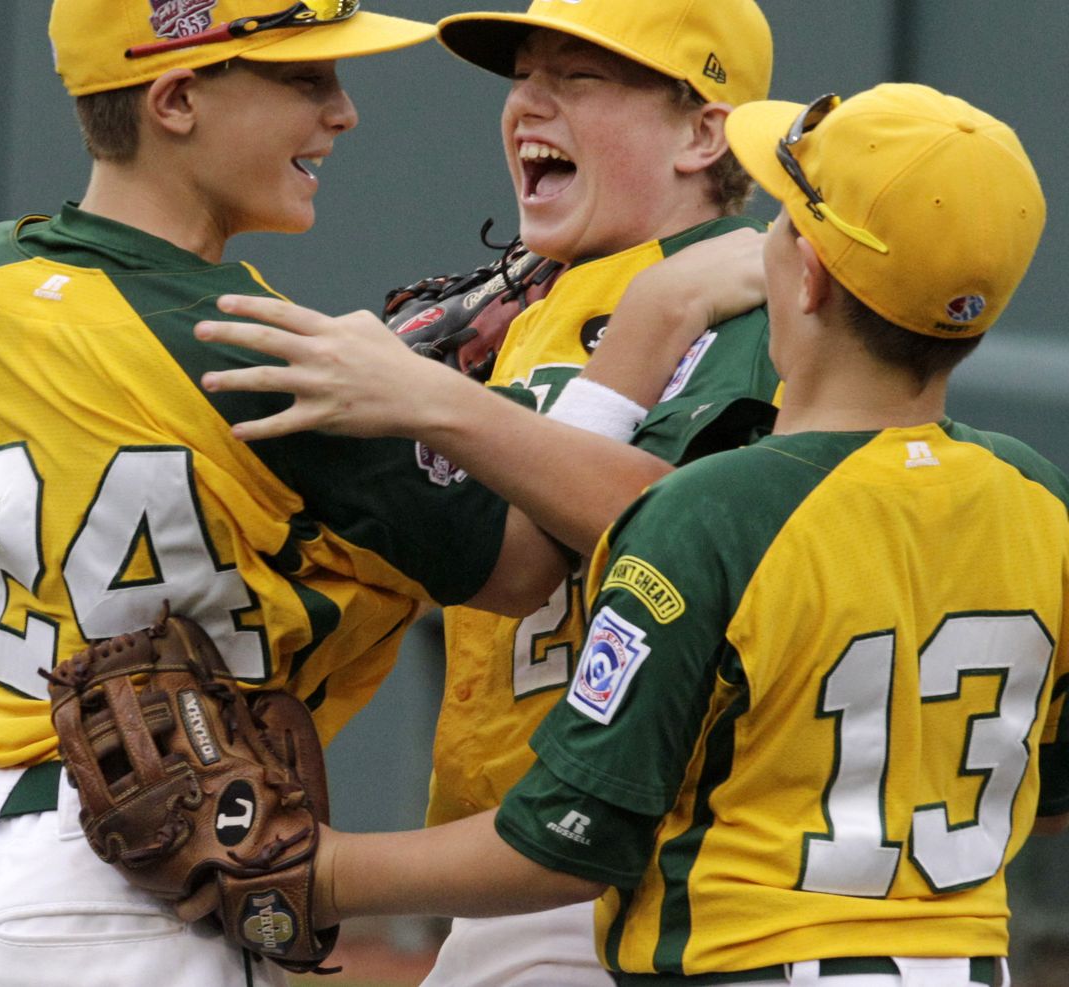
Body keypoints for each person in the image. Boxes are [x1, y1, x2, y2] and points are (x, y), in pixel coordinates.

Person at [202, 81, 1068, 986]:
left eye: (778, 222)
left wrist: (326, 869)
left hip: (750, 962)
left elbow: (565, 839)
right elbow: (1043, 799)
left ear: (805, 275)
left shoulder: (712, 511)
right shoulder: (1037, 497)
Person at [0, 3, 574, 985]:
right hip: (129, 881)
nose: (343, 112)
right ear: (174, 98)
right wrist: (449, 407)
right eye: (305, 79)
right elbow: (524, 568)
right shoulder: (277, 365)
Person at [201, 1, 779, 981]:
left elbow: (691, 546)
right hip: (520, 853)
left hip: (665, 862)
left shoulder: (740, 304)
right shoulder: (524, 312)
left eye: (580, 78)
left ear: (702, 130)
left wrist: (431, 403)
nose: (528, 103)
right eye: (523, 75)